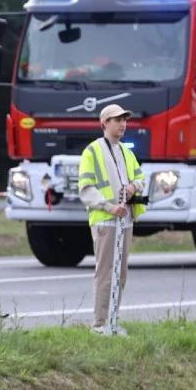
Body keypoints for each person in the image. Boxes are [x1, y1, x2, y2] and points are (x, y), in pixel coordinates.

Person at [78, 103, 145, 335]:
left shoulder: (126, 152)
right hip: (105, 220)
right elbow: (86, 189)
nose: (123, 124)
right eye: (117, 120)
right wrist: (109, 207)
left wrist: (133, 187)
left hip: (125, 221)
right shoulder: (93, 151)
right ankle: (99, 324)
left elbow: (140, 178)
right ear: (104, 123)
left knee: (121, 273)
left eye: (125, 119)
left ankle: (113, 322)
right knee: (106, 273)